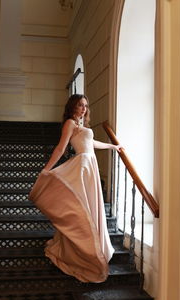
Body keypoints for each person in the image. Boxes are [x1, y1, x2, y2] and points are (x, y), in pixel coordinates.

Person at [29, 94, 121, 283]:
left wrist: (113, 146)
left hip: (90, 165)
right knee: (80, 209)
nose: (83, 109)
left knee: (90, 208)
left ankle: (88, 247)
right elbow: (61, 148)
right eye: (80, 105)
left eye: (86, 106)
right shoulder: (70, 123)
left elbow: (91, 144)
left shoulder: (82, 126)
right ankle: (80, 251)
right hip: (81, 167)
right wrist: (47, 169)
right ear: (72, 106)